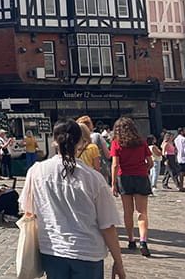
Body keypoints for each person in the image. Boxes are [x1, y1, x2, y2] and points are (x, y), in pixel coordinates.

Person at [20, 119, 125, 278]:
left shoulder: (36, 172)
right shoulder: (94, 178)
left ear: (54, 140)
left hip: (52, 249)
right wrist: (118, 261)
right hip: (88, 252)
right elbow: (107, 225)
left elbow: (28, 210)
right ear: (81, 142)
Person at [110, 116, 154, 257]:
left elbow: (115, 164)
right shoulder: (141, 142)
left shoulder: (116, 143)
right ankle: (143, 240)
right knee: (142, 213)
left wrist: (113, 183)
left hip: (124, 177)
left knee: (128, 212)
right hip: (141, 176)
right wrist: (145, 169)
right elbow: (151, 162)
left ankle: (131, 240)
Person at [78, 115, 110, 183]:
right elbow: (107, 155)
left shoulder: (75, 141)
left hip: (81, 174)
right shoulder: (97, 136)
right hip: (98, 170)